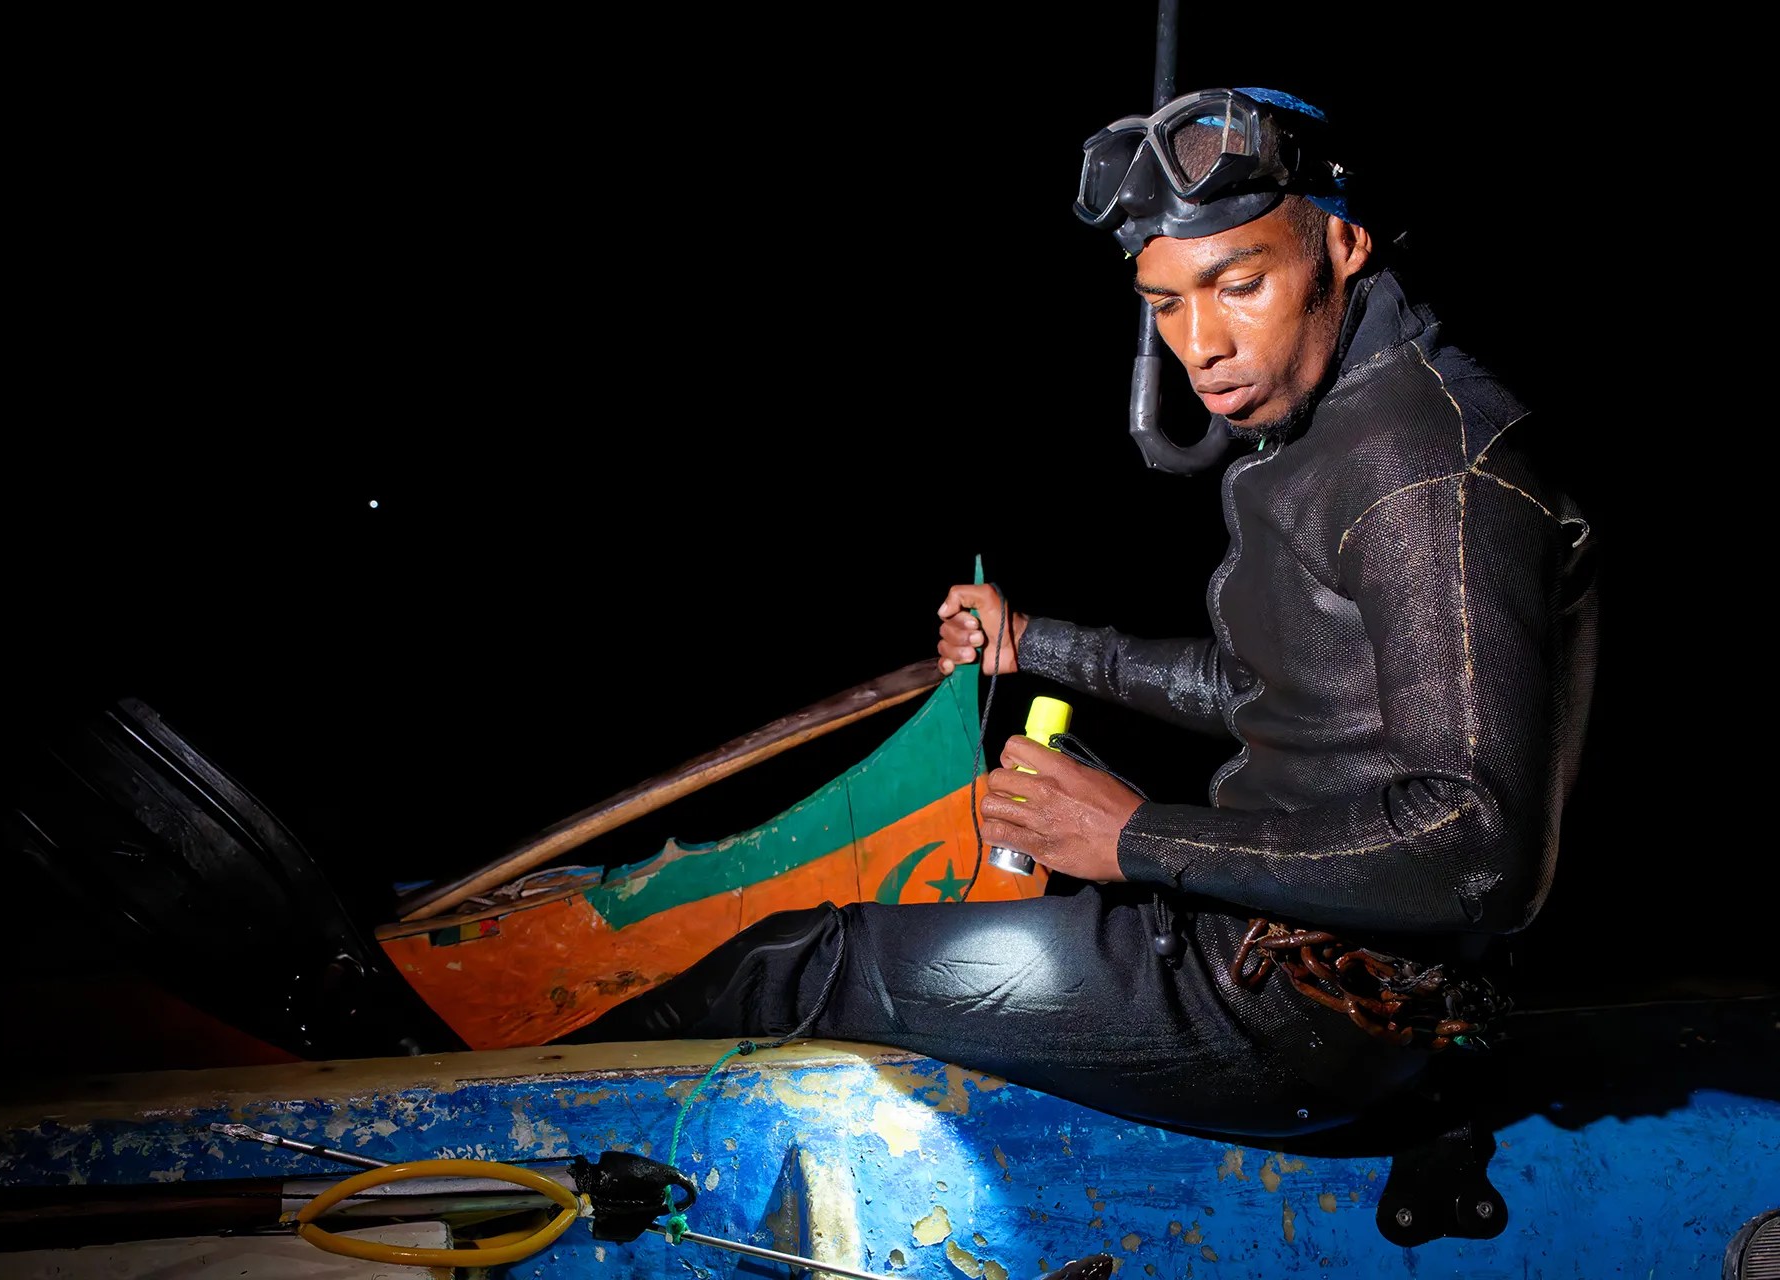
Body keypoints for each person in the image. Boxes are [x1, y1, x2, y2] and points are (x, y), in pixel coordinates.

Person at [562, 86, 1598, 1139]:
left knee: (805, 961)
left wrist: (1138, 836)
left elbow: (1476, 845)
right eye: (1166, 303)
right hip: (1270, 941)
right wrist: (1031, 645)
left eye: (1241, 285)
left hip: (1318, 1017)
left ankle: (498, 1138)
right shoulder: (1338, 419)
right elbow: (1268, 687)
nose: (1203, 344)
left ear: (1342, 244)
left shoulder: (1424, 471)